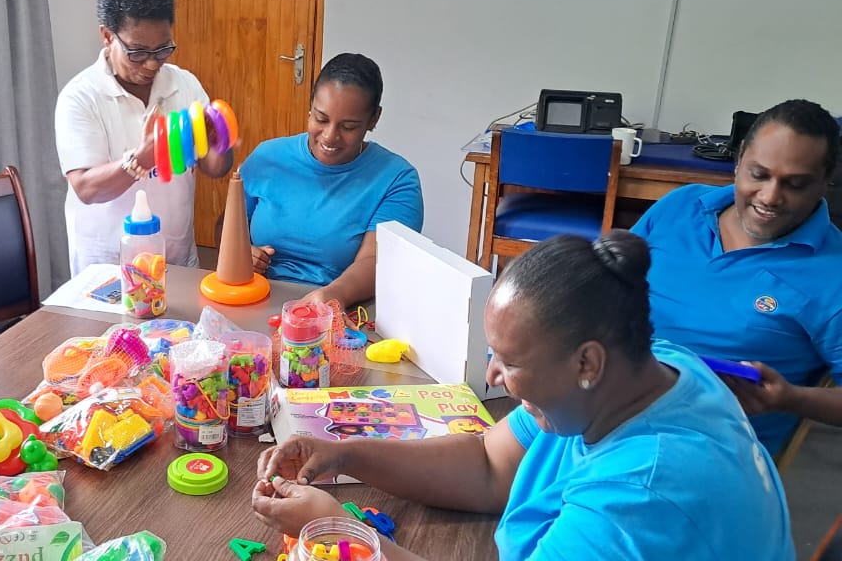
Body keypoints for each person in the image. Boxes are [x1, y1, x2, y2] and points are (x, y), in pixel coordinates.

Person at [251, 231, 793, 561]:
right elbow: (489, 464)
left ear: (587, 362)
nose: (492, 377)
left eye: (510, 363)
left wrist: (347, 537)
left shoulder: (641, 495)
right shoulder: (646, 368)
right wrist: (344, 454)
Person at [630, 98, 842, 456]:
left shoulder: (833, 273)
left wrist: (791, 399)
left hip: (703, 447)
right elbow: (603, 284)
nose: (770, 197)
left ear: (825, 181)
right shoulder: (682, 205)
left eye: (795, 184)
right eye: (759, 175)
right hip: (606, 403)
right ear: (739, 158)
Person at [55, 0, 234, 276]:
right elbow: (86, 188)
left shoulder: (184, 85)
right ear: (107, 36)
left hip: (174, 258)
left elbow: (215, 167)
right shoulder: (81, 97)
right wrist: (142, 159)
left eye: (163, 50)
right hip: (109, 267)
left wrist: (219, 143)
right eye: (137, 52)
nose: (152, 64)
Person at [239, 53, 422, 305]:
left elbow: (376, 261)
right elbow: (229, 225)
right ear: (310, 106)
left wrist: (334, 295)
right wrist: (241, 253)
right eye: (321, 119)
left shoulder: (396, 179)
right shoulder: (268, 157)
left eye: (348, 127)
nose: (329, 136)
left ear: (373, 119)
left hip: (344, 306)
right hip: (257, 296)